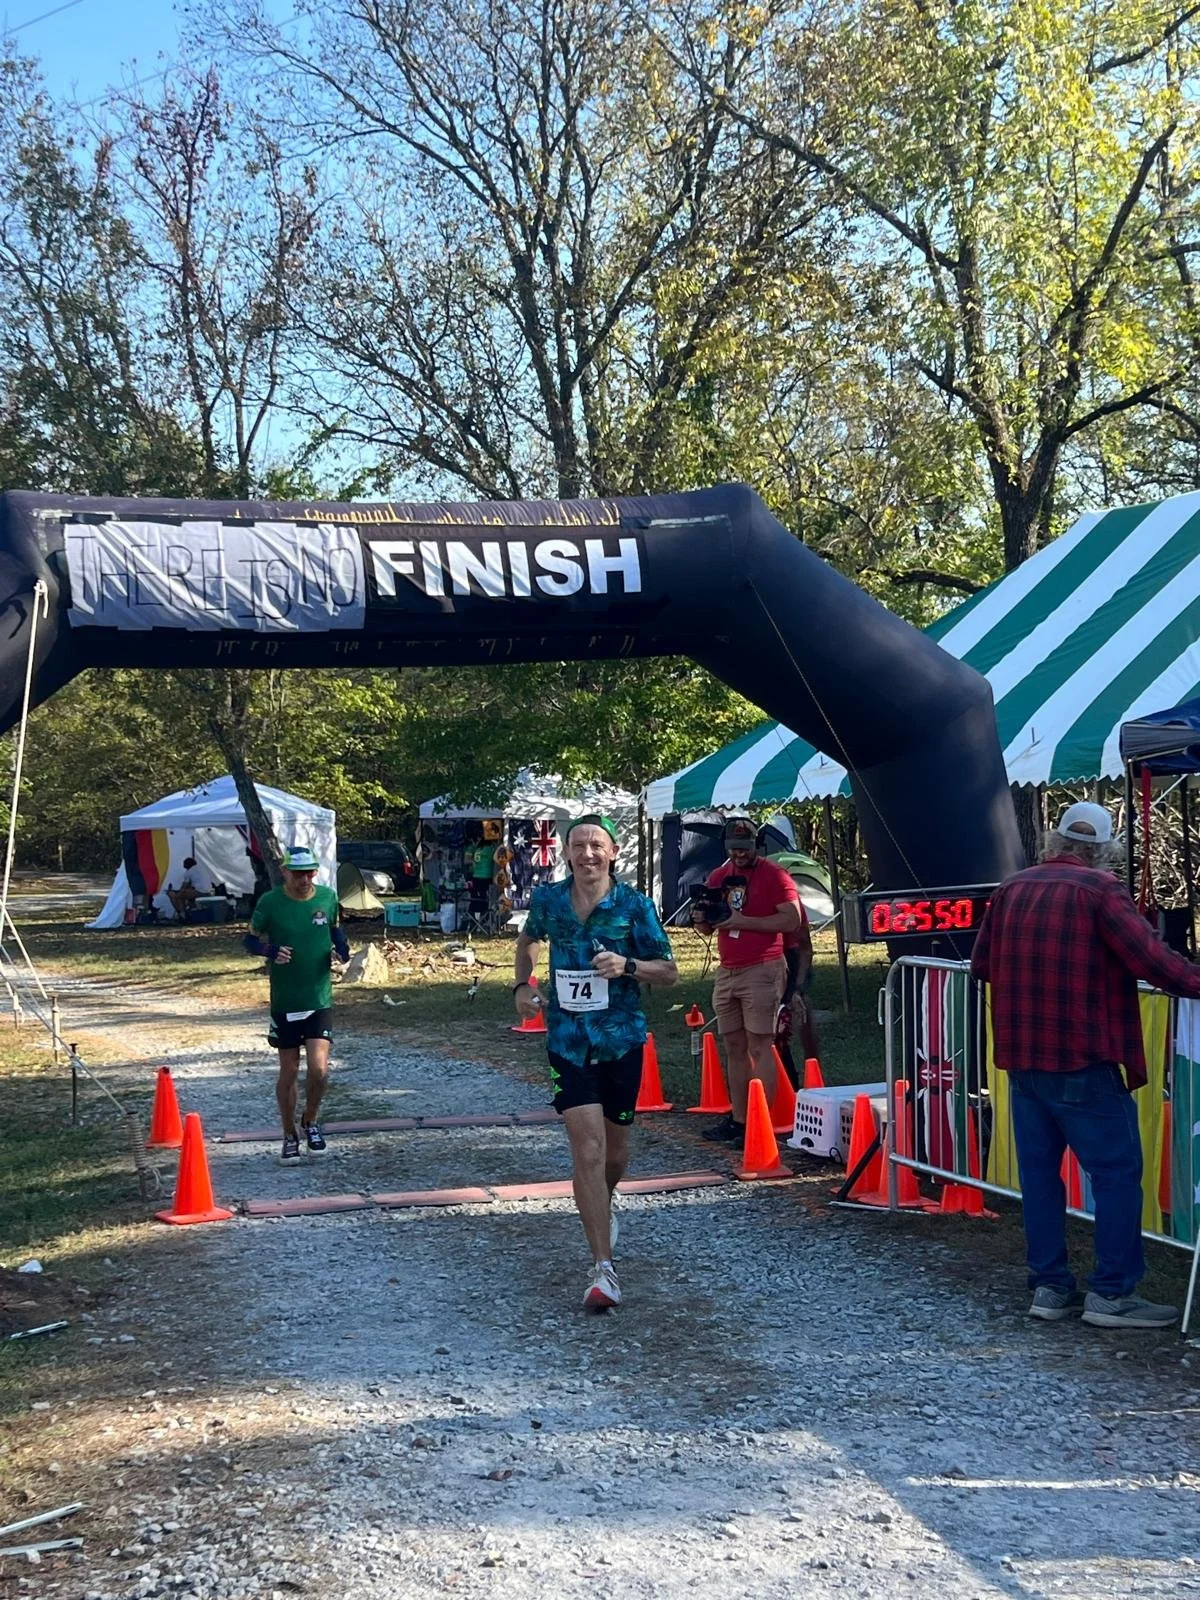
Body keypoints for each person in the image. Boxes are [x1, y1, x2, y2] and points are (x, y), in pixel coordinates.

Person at [971, 800, 1200, 1329]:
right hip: (1083, 1056)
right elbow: (1155, 962)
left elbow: (981, 964)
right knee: (1117, 1175)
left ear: (1054, 843)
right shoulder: (1101, 892)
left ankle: (1049, 1289)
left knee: (1040, 1179)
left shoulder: (1011, 888)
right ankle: (1112, 1295)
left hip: (1023, 1060)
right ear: (1104, 852)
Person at [515, 815, 678, 1310]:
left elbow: (669, 971)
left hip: (621, 1040)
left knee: (613, 1154)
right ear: (566, 853)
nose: (587, 853)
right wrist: (524, 985)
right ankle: (603, 1269)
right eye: (578, 845)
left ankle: (602, 1206)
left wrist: (627, 966)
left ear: (612, 853)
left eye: (596, 845)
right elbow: (527, 942)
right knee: (586, 1149)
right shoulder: (547, 901)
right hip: (567, 1039)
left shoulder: (634, 905)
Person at [692, 817, 802, 1143]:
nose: (739, 854)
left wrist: (743, 921)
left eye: (745, 847)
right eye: (733, 848)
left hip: (762, 967)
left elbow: (792, 918)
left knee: (760, 1045)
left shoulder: (775, 874)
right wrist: (703, 919)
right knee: (734, 1046)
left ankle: (762, 1123)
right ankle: (740, 1120)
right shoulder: (719, 876)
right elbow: (710, 926)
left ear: (757, 845)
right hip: (728, 969)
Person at [243, 845, 350, 1163]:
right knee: (289, 1071)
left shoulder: (327, 897)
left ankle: (311, 1121)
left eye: (309, 873)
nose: (304, 879)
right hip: (286, 999)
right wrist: (271, 951)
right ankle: (289, 1133)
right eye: (298, 873)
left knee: (318, 1070)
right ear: (285, 872)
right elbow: (249, 940)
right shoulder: (270, 902)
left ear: (315, 872)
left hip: (318, 998)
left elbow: (336, 931)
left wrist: (342, 953)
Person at [775, 911, 815, 1091]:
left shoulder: (789, 901)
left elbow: (805, 946)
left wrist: (796, 988)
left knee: (801, 1017)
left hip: (792, 965)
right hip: (763, 968)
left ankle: (813, 1078)